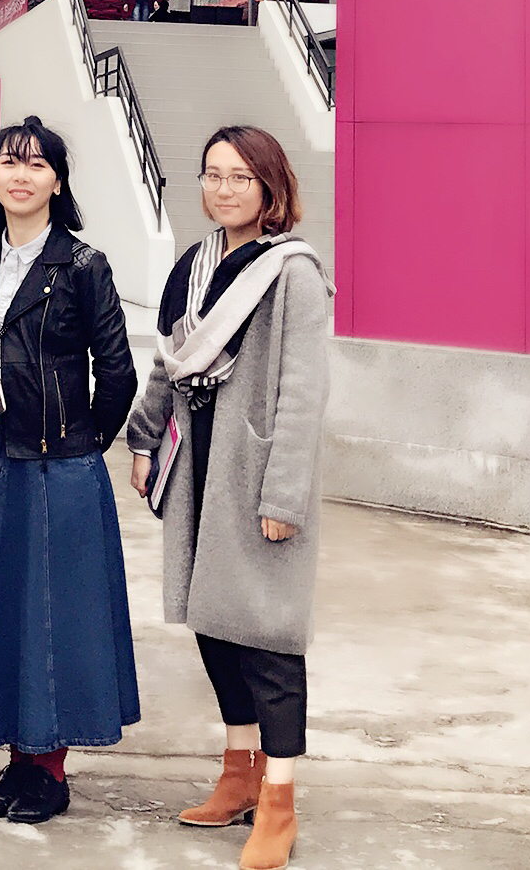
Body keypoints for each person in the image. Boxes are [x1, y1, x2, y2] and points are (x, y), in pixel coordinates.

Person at [125, 126, 329, 869]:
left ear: (270, 185)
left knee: (268, 636)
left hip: (255, 472)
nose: (224, 189)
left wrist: (284, 496)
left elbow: (303, 392)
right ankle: (238, 772)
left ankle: (279, 799)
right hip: (197, 467)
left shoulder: (292, 272)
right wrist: (143, 438)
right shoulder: (193, 264)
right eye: (213, 175)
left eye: (241, 176)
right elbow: (168, 360)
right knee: (212, 626)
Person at [0, 117, 139, 825]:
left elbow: (117, 372)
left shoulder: (82, 265)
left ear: (57, 181)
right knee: (0, 609)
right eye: (9, 163)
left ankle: (49, 770)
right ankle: (17, 760)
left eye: (36, 165)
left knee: (56, 616)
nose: (21, 175)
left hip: (61, 469)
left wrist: (82, 442)